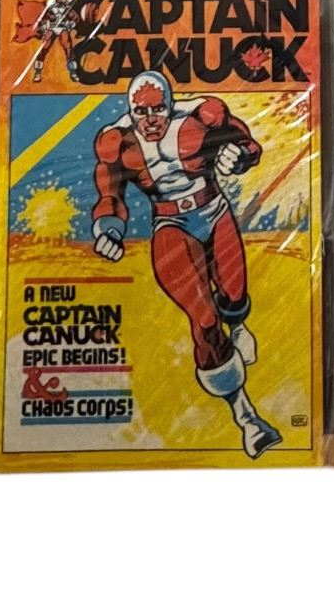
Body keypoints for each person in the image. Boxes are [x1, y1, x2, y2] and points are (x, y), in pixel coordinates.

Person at [90, 72, 281, 457]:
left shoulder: (202, 117)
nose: (150, 120)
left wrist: (239, 156)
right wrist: (109, 229)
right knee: (205, 322)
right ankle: (247, 418)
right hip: (171, 225)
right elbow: (110, 193)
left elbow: (247, 143)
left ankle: (238, 324)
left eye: (157, 109)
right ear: (130, 111)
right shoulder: (117, 143)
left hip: (215, 210)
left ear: (170, 104)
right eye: (141, 112)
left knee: (233, 297)